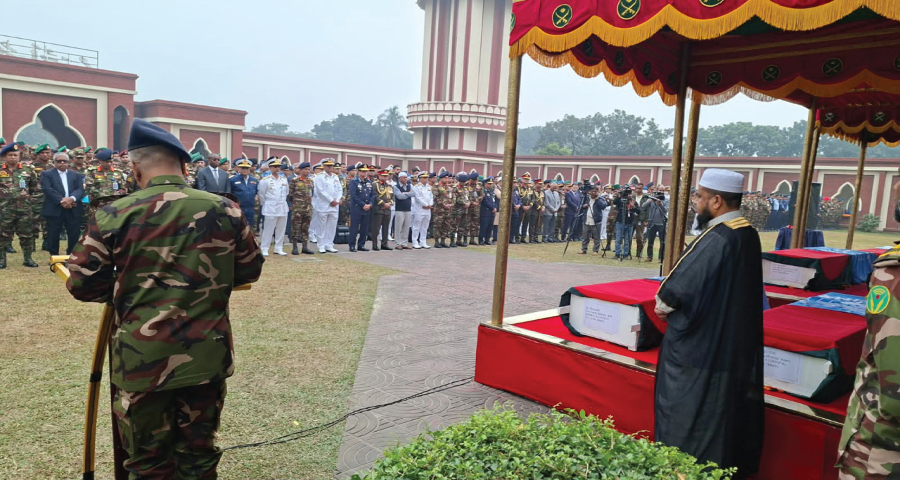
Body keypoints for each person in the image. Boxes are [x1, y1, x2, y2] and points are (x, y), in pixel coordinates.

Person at [66, 119, 263, 480]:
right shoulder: (226, 209)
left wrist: (130, 288)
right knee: (198, 456)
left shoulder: (113, 214)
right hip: (205, 356)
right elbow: (249, 269)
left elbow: (82, 284)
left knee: (147, 463)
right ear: (185, 166)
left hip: (142, 359)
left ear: (135, 167)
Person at [653, 168, 764, 478]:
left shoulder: (718, 237)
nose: (696, 203)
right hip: (732, 348)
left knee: (691, 421)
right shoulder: (748, 232)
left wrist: (665, 306)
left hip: (701, 352)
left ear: (716, 201)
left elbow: (668, 298)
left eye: (700, 197)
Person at [0, 143, 38, 268]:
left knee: (26, 235)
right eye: (10, 155)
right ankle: (1, 260)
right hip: (4, 209)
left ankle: (28, 258)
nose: (13, 157)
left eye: (15, 155)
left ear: (19, 156)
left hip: (24, 209)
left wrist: (24, 197)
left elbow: (32, 187)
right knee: (3, 235)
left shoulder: (28, 169)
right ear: (5, 156)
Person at [41, 152, 84, 255]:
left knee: (74, 234)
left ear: (69, 162)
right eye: (59, 161)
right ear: (54, 162)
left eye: (65, 161)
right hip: (55, 208)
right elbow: (48, 189)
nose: (62, 163)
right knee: (53, 234)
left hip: (73, 208)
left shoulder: (76, 175)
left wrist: (71, 199)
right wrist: (62, 201)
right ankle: (54, 256)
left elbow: (80, 190)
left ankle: (71, 255)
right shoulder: (47, 174)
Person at [258, 159, 289, 256]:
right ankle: (264, 248)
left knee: (281, 229)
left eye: (279, 166)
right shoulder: (265, 180)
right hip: (270, 207)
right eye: (275, 167)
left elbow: (286, 192)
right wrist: (266, 204)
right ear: (270, 168)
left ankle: (278, 248)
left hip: (282, 206)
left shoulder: (284, 179)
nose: (277, 168)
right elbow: (261, 195)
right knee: (268, 229)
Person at [84, 149, 127, 217]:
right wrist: (104, 197)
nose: (109, 164)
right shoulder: (92, 172)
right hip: (97, 204)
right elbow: (90, 187)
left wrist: (117, 195)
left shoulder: (118, 172)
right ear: (100, 161)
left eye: (110, 161)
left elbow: (123, 187)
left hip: (114, 204)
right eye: (106, 162)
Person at [312, 159, 342, 254]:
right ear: (324, 166)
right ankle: (321, 245)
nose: (330, 167)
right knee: (321, 226)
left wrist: (337, 200)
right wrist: (331, 200)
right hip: (324, 205)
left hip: (334, 206)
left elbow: (340, 189)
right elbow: (320, 191)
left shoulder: (335, 177)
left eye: (331, 165)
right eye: (328, 166)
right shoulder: (319, 177)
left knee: (332, 226)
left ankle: (329, 244)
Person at [288, 162, 315, 255]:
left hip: (308, 208)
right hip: (297, 208)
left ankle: (305, 247)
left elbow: (312, 194)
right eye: (305, 169)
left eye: (308, 169)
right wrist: (294, 204)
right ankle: (295, 247)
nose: (307, 171)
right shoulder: (294, 180)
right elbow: (290, 195)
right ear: (300, 170)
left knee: (305, 228)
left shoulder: (311, 181)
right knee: (295, 228)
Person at [31, 143, 53, 251]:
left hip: (50, 197)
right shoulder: (31, 167)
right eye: (42, 153)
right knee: (34, 221)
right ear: (38, 154)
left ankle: (46, 241)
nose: (45, 155)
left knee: (48, 220)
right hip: (36, 197)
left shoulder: (54, 166)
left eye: (47, 153)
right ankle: (32, 242)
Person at [348, 165, 373, 252]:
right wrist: (363, 204)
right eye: (363, 171)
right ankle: (352, 245)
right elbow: (354, 195)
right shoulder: (354, 182)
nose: (364, 173)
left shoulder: (369, 182)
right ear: (358, 172)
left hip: (367, 208)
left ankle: (361, 245)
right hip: (357, 208)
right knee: (354, 228)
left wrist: (370, 204)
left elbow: (372, 194)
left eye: (366, 171)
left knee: (364, 228)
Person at [578, 186, 607, 255]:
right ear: (590, 192)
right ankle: (584, 249)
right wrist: (584, 206)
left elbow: (603, 206)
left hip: (596, 220)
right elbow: (580, 207)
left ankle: (595, 250)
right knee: (585, 236)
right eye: (593, 191)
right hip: (587, 219)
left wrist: (597, 200)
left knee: (596, 236)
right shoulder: (586, 198)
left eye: (595, 191)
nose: (594, 193)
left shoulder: (600, 199)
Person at [613, 186, 640, 260]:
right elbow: (614, 202)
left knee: (627, 240)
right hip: (620, 222)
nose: (628, 195)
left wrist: (633, 207)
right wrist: (620, 195)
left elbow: (638, 211)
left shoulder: (633, 201)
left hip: (629, 223)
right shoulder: (620, 200)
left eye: (629, 193)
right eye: (626, 193)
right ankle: (617, 253)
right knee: (618, 239)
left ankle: (626, 254)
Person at [370, 169, 394, 251]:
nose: (385, 177)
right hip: (378, 209)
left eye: (386, 176)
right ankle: (374, 245)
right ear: (379, 176)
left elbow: (392, 197)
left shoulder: (389, 186)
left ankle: (384, 244)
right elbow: (375, 196)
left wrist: (389, 204)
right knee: (376, 229)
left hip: (387, 210)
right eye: (383, 176)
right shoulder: (375, 185)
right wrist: (383, 204)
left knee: (386, 228)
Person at [231, 158, 259, 227]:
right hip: (238, 207)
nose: (245, 170)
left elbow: (256, 192)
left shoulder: (254, 180)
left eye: (247, 168)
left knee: (249, 227)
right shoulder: (233, 180)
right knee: (238, 227)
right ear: (238, 168)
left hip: (250, 208)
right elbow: (230, 193)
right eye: (243, 168)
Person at [643, 188, 668, 263]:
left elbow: (665, 211)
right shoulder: (652, 198)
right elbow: (643, 206)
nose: (660, 193)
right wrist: (650, 201)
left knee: (662, 241)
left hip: (661, 223)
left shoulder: (666, 200)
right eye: (658, 191)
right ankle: (649, 256)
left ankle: (661, 257)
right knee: (650, 241)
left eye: (662, 191)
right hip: (652, 223)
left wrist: (660, 204)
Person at [411, 171, 433, 249]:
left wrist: (430, 204)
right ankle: (415, 242)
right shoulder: (416, 187)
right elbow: (418, 198)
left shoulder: (429, 187)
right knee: (416, 226)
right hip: (419, 209)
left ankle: (423, 242)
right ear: (420, 178)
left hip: (427, 209)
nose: (426, 179)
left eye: (427, 178)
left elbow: (431, 197)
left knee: (425, 226)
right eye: (424, 178)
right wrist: (426, 204)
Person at [392, 172, 414, 250]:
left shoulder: (409, 186)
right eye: (404, 177)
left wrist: (405, 193)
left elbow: (414, 194)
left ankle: (404, 243)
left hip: (408, 209)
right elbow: (399, 196)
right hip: (399, 209)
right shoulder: (396, 187)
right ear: (400, 178)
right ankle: (398, 243)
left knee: (406, 227)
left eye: (406, 177)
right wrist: (408, 194)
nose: (405, 179)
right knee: (398, 227)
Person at [479, 177, 498, 245]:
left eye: (491, 184)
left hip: (492, 212)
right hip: (485, 212)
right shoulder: (483, 191)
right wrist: (492, 208)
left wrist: (495, 207)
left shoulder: (492, 191)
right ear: (485, 184)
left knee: (490, 227)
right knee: (484, 227)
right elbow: (485, 201)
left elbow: (495, 201)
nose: (490, 185)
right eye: (489, 184)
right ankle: (481, 240)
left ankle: (487, 239)